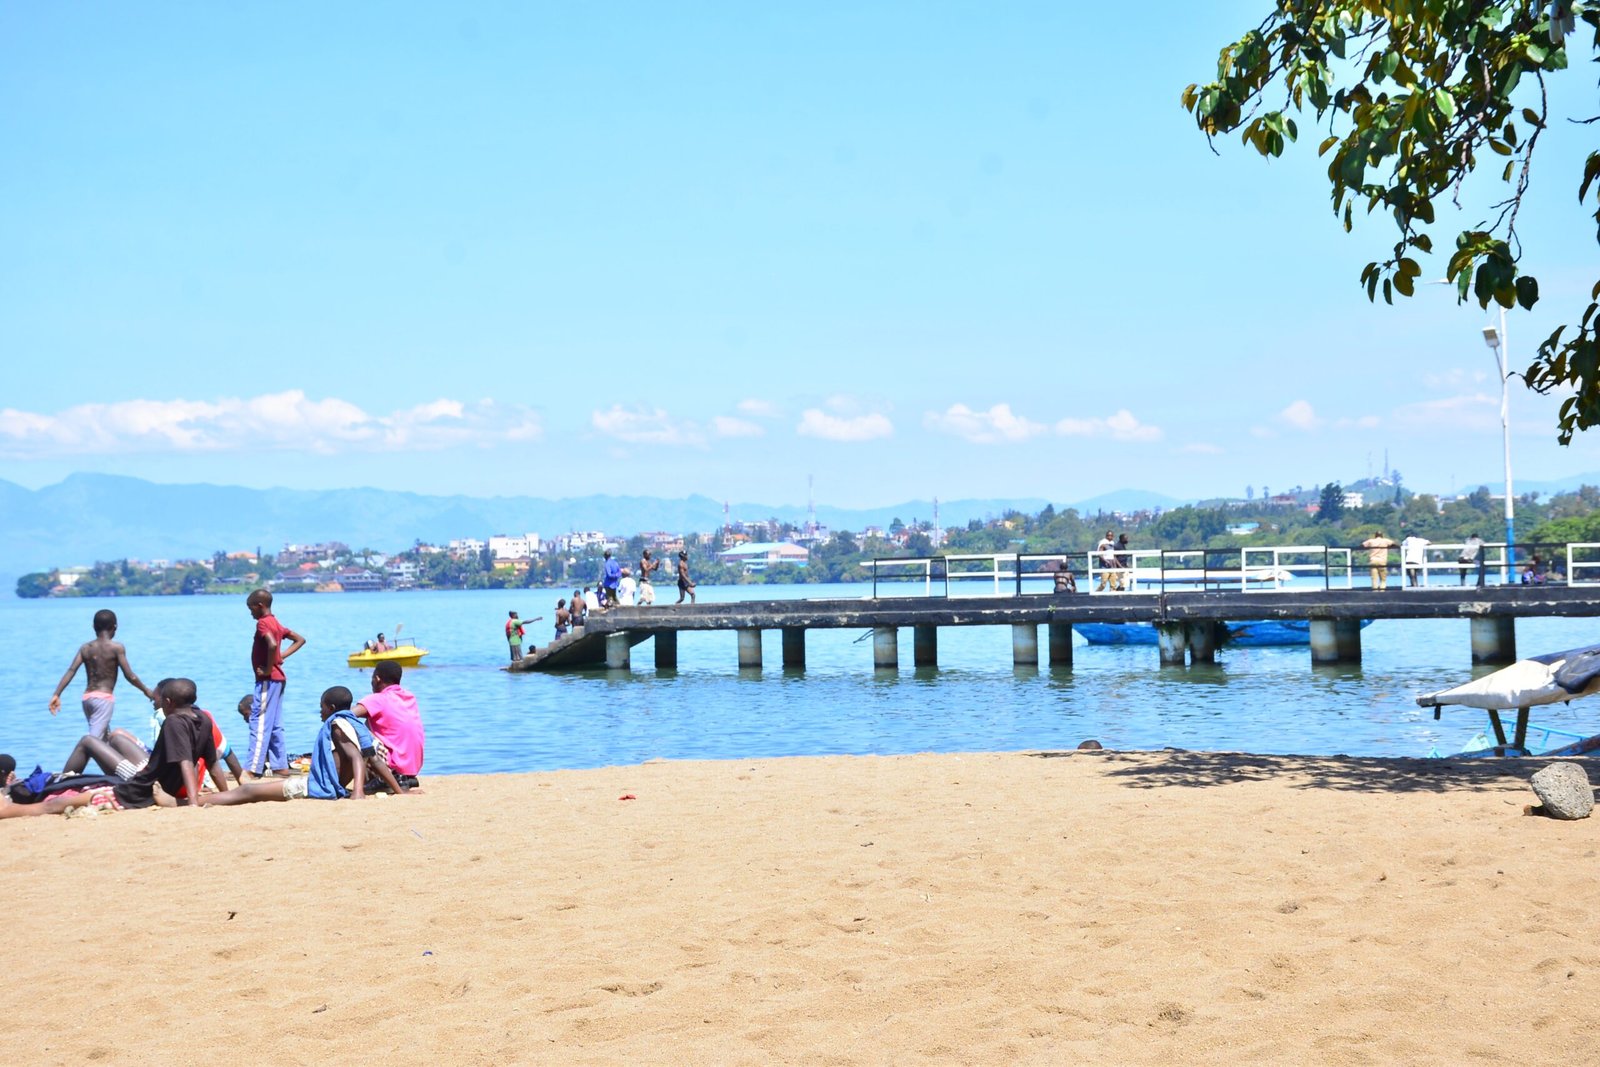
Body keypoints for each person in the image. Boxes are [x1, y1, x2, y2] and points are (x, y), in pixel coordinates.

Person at [202, 686, 408, 805]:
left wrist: (358, 792)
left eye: (322, 707)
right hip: (327, 785)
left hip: (316, 787)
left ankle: (196, 802)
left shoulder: (337, 725)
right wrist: (399, 791)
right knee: (250, 791)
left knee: (249, 791)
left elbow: (355, 757)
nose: (320, 712)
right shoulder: (357, 725)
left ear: (332, 708)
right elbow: (375, 760)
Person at [110, 678, 232, 809]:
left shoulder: (173, 722)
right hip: (166, 787)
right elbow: (212, 763)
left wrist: (193, 803)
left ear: (167, 702)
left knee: (89, 743)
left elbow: (186, 762)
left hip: (143, 790)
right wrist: (226, 795)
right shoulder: (204, 719)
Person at [47, 609, 155, 740]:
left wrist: (57, 694)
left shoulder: (85, 648)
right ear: (115, 627)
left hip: (87, 698)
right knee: (94, 742)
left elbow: (71, 670)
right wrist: (146, 691)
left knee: (105, 741)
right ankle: (77, 759)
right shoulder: (116, 648)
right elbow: (130, 676)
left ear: (93, 627)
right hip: (103, 699)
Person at [245, 589, 306, 780]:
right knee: (275, 724)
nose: (250, 613)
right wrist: (280, 658)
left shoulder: (263, 623)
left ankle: (252, 768)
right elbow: (300, 639)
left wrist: (269, 667)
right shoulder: (276, 622)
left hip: (268, 680)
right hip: (278, 679)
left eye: (251, 608)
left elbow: (271, 645)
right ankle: (280, 767)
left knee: (260, 721)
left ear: (260, 605)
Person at [354, 660, 425, 789]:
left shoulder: (378, 699)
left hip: (393, 765)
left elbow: (347, 715)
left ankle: (381, 779)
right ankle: (403, 777)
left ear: (377, 679)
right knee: (371, 722)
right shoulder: (409, 697)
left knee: (353, 727)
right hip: (412, 767)